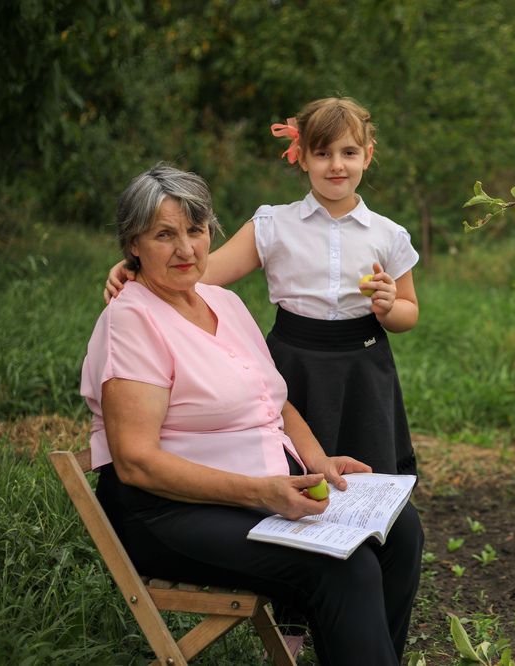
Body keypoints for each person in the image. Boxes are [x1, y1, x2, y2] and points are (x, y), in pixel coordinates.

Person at [83, 163, 424, 665]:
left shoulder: (221, 301)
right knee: (341, 569)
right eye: (164, 235)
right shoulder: (132, 321)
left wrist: (316, 461)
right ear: (133, 243)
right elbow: (136, 463)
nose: (186, 249)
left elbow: (276, 402)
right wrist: (260, 492)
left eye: (196, 231)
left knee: (401, 532)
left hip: (254, 489)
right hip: (169, 511)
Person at [105, 97, 420, 479]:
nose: (336, 165)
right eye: (322, 153)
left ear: (367, 156)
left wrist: (389, 308)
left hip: (363, 365)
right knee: (299, 470)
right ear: (301, 157)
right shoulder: (274, 224)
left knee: (369, 467)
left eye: (349, 152)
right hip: (294, 362)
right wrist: (135, 267)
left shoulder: (389, 234)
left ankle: (370, 533)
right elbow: (202, 271)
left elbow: (409, 312)